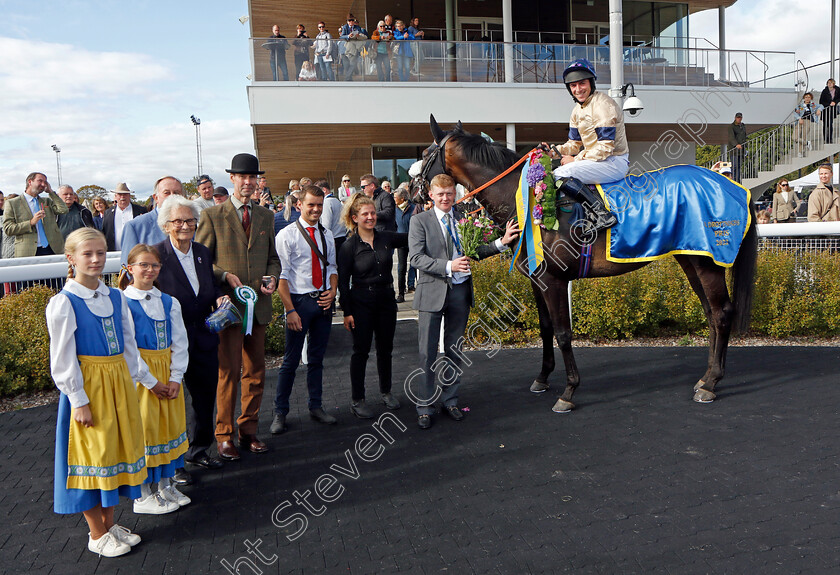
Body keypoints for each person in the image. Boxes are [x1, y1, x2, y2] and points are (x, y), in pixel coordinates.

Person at [46, 228, 150, 557]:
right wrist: (78, 400)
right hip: (90, 387)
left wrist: (137, 380)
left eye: (101, 253)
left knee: (114, 454)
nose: (95, 260)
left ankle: (108, 524)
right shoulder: (64, 302)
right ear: (71, 258)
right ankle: (95, 532)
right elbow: (62, 358)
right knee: (91, 456)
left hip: (118, 382)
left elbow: (128, 344)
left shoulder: (115, 295)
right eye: (87, 254)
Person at [408, 174, 520, 430]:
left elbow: (473, 251)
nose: (446, 198)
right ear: (431, 195)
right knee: (427, 353)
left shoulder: (462, 218)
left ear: (455, 194)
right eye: (441, 194)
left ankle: (450, 400)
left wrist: (501, 243)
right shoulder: (419, 221)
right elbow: (416, 258)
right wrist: (449, 265)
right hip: (431, 294)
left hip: (460, 293)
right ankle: (424, 406)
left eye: (449, 193)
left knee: (454, 351)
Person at [195, 153, 281, 460]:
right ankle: (224, 434)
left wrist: (272, 275)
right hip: (228, 308)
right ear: (232, 179)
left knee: (256, 371)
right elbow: (202, 260)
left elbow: (273, 257)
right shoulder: (212, 216)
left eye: (252, 177)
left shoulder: (266, 217)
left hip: (256, 308)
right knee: (228, 372)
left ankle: (248, 430)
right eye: (242, 177)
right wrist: (224, 276)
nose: (248, 182)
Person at [155, 196, 226, 474]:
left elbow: (208, 287)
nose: (185, 226)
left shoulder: (202, 252)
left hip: (204, 337)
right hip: (171, 341)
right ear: (166, 225)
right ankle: (173, 463)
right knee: (171, 402)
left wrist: (220, 298)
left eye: (190, 220)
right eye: (178, 221)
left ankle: (198, 450)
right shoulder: (156, 256)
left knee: (204, 397)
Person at [119, 244, 190, 514]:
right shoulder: (124, 302)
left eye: (154, 265)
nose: (149, 270)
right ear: (130, 268)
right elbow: (129, 347)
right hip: (142, 377)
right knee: (146, 431)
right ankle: (143, 493)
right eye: (143, 265)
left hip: (167, 370)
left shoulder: (169, 302)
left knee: (169, 428)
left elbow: (180, 342)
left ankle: (165, 484)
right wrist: (151, 382)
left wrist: (175, 377)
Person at [271, 185, 338, 434]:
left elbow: (332, 267)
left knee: (317, 359)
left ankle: (316, 406)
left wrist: (332, 292)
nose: (316, 210)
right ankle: (280, 412)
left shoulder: (327, 234)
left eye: (319, 205)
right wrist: (290, 310)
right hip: (299, 303)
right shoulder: (286, 235)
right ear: (300, 204)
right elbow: (282, 277)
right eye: (311, 205)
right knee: (290, 361)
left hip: (323, 302)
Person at [338, 194, 406, 418]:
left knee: (385, 349)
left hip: (386, 300)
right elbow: (343, 282)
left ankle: (386, 392)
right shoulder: (349, 247)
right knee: (361, 351)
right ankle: (358, 399)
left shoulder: (387, 238)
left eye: (373, 213)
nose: (370, 217)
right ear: (355, 217)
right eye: (365, 214)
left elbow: (413, 237)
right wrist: (346, 312)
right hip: (361, 303)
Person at [542, 59, 629, 233]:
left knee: (560, 173)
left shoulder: (603, 105)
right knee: (559, 170)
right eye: (573, 85)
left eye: (582, 83)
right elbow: (574, 144)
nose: (578, 89)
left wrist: (575, 159)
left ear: (591, 83)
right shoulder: (577, 110)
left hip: (614, 161)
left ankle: (603, 215)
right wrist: (553, 152)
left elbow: (605, 148)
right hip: (597, 161)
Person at [120, 176, 184, 264]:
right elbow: (127, 268)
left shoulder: (189, 224)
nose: (172, 196)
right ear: (156, 198)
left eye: (176, 193)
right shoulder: (135, 227)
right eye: (167, 193)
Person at [3, 172, 68, 257]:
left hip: (52, 249)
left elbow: (64, 210)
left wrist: (51, 192)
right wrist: (31, 222)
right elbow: (8, 229)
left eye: (45, 182)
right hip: (27, 252)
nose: (43, 184)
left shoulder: (46, 201)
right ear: (30, 182)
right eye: (40, 181)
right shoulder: (12, 203)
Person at [102, 183, 145, 252]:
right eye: (119, 194)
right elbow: (105, 233)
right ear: (115, 196)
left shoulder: (141, 210)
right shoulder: (108, 213)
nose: (122, 197)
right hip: (114, 254)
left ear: (129, 196)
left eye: (125, 194)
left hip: (136, 254)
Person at [394, 187, 417, 302]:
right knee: (401, 268)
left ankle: (415, 288)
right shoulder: (395, 209)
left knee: (416, 265)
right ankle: (401, 293)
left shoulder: (413, 208)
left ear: (402, 198)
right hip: (401, 242)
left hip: (413, 241)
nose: (394, 199)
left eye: (395, 197)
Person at [316, 179, 347, 253]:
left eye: (317, 192)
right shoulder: (336, 201)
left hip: (333, 240)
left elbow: (326, 225)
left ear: (324, 190)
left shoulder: (327, 202)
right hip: (342, 237)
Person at [339, 15, 367, 81]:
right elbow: (341, 36)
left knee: (353, 64)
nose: (351, 22)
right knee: (346, 66)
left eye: (352, 20)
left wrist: (358, 35)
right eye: (349, 20)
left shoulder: (357, 27)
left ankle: (347, 79)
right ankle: (349, 79)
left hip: (355, 48)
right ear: (347, 22)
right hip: (346, 49)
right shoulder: (345, 27)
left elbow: (362, 36)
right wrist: (348, 36)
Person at [794, 92, 822, 157]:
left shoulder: (813, 105)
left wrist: (819, 110)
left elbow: (821, 106)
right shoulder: (800, 105)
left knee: (803, 136)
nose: (807, 98)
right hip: (800, 121)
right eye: (806, 97)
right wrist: (799, 118)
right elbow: (795, 112)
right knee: (794, 138)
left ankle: (800, 152)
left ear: (811, 98)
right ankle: (807, 143)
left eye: (809, 97)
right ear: (804, 98)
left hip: (808, 121)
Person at [728, 112, 748, 183]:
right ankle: (734, 180)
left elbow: (744, 136)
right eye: (738, 117)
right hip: (734, 151)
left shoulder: (742, 126)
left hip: (741, 151)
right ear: (735, 118)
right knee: (735, 166)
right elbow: (731, 138)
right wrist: (736, 144)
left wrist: (745, 146)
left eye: (740, 118)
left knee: (739, 167)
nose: (739, 119)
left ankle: (738, 180)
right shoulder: (731, 126)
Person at [820, 78, 840, 143]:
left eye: (831, 83)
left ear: (833, 84)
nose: (829, 84)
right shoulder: (824, 91)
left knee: (830, 124)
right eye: (828, 83)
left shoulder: (837, 90)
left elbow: (838, 98)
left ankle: (830, 139)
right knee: (825, 124)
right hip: (826, 110)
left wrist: (835, 102)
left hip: (832, 110)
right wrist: (829, 104)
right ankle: (825, 139)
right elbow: (821, 101)